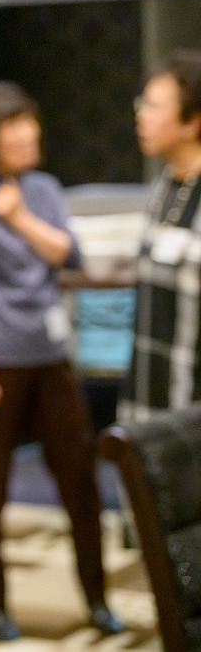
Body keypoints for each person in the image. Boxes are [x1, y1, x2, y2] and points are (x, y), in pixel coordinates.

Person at [0, 81, 122, 641]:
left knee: (81, 481)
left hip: (51, 356)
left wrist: (19, 218)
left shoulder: (42, 188)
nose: (29, 132)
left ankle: (98, 598)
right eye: (14, 124)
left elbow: (71, 255)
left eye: (29, 120)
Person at [132, 49, 201, 411]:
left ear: (192, 122)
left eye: (154, 106)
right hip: (155, 387)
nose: (141, 116)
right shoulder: (166, 184)